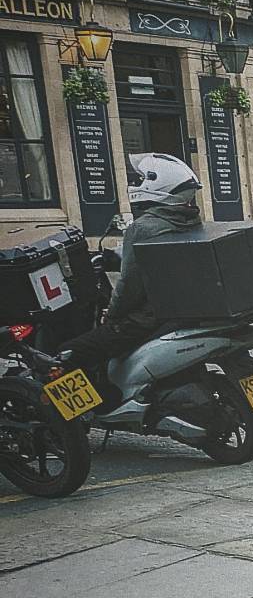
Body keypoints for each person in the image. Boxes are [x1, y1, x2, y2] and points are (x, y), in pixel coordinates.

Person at [61, 153, 203, 409]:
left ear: (155, 185)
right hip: (181, 311)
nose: (137, 185)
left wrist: (111, 315)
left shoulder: (143, 227)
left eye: (141, 179)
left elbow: (129, 285)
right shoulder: (190, 221)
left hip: (147, 317)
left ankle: (74, 422)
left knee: (68, 353)